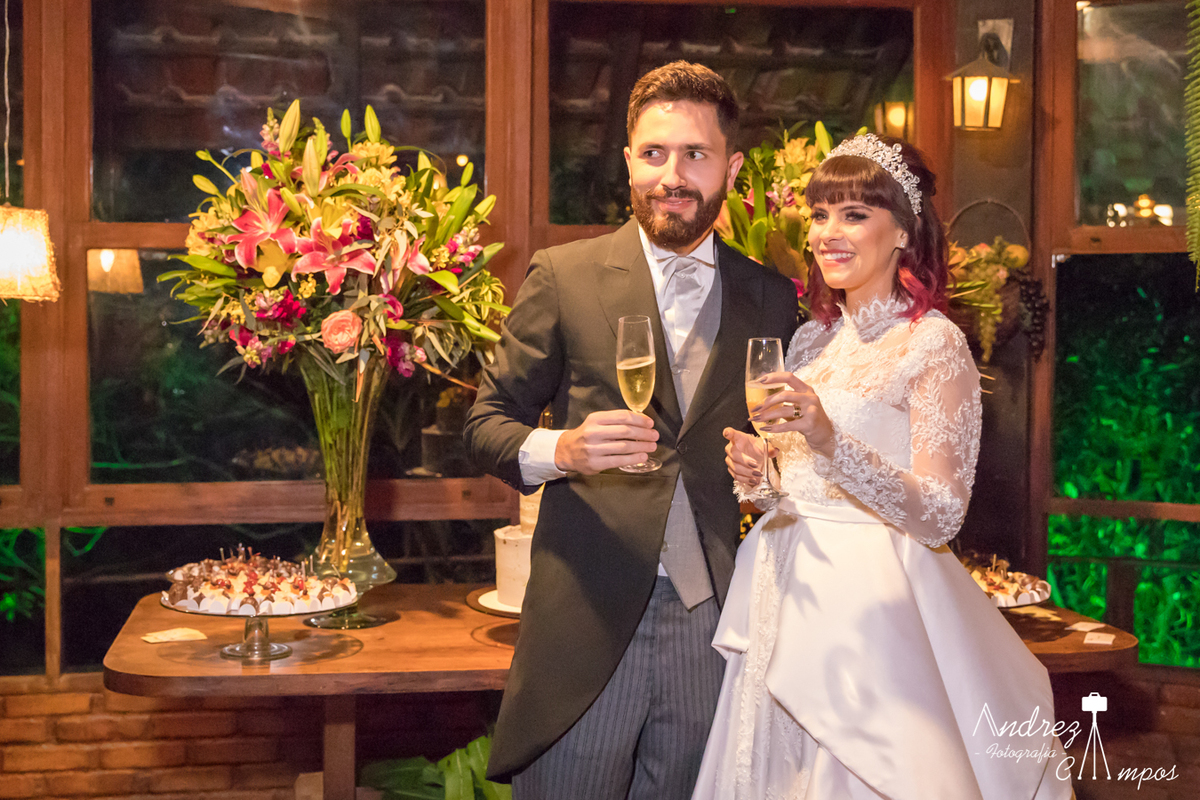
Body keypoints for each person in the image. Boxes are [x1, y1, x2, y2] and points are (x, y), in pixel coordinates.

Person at [692, 135, 1073, 800]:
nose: (828, 233)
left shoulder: (934, 343)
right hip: (782, 589)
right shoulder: (810, 340)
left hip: (869, 617)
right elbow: (796, 488)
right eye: (819, 215)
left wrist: (829, 437)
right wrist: (759, 478)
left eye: (854, 214)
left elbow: (941, 514)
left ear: (903, 231)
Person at [464, 61, 798, 799]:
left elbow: (787, 452)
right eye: (653, 153)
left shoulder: (772, 297)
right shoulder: (564, 276)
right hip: (585, 615)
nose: (671, 176)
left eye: (694, 154)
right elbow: (485, 424)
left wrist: (769, 466)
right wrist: (563, 450)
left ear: (731, 168)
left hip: (714, 623)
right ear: (627, 161)